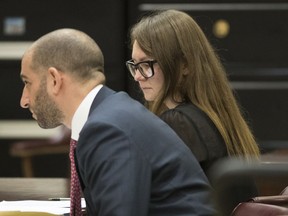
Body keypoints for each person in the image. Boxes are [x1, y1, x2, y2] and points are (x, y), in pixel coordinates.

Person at [19, 28, 215, 216]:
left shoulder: (106, 129)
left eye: (28, 83)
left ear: (54, 79)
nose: (24, 100)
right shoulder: (111, 113)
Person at [126, 10, 261, 215]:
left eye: (146, 64)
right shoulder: (214, 117)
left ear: (185, 65)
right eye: (134, 65)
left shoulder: (180, 122)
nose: (137, 76)